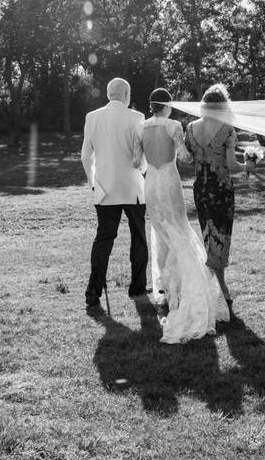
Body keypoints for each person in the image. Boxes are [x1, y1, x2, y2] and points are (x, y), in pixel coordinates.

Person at [135, 88, 223, 343]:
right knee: (179, 230)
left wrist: (151, 165)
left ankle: (168, 290)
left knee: (162, 233)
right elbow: (184, 157)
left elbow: (135, 162)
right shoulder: (174, 125)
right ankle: (185, 288)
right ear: (168, 104)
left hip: (150, 182)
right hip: (170, 182)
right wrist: (196, 151)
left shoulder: (140, 127)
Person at [81, 77, 148, 310]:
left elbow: (85, 156)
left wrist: (92, 182)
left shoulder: (92, 117)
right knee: (138, 237)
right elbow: (141, 157)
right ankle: (137, 287)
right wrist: (143, 172)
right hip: (133, 189)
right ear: (127, 94)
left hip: (104, 188)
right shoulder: (137, 118)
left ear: (109, 94)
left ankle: (93, 291)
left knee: (103, 239)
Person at [184, 84, 245, 326]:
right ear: (223, 105)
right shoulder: (227, 128)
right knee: (221, 238)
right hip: (220, 190)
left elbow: (189, 160)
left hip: (200, 189)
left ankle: (215, 290)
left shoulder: (190, 128)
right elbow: (231, 164)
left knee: (209, 237)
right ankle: (222, 291)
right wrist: (248, 166)